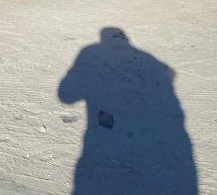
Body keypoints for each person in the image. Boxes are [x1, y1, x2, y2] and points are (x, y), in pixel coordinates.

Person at [58, 27, 197, 194]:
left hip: (108, 144)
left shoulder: (89, 52)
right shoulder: (151, 62)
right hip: (165, 143)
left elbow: (66, 95)